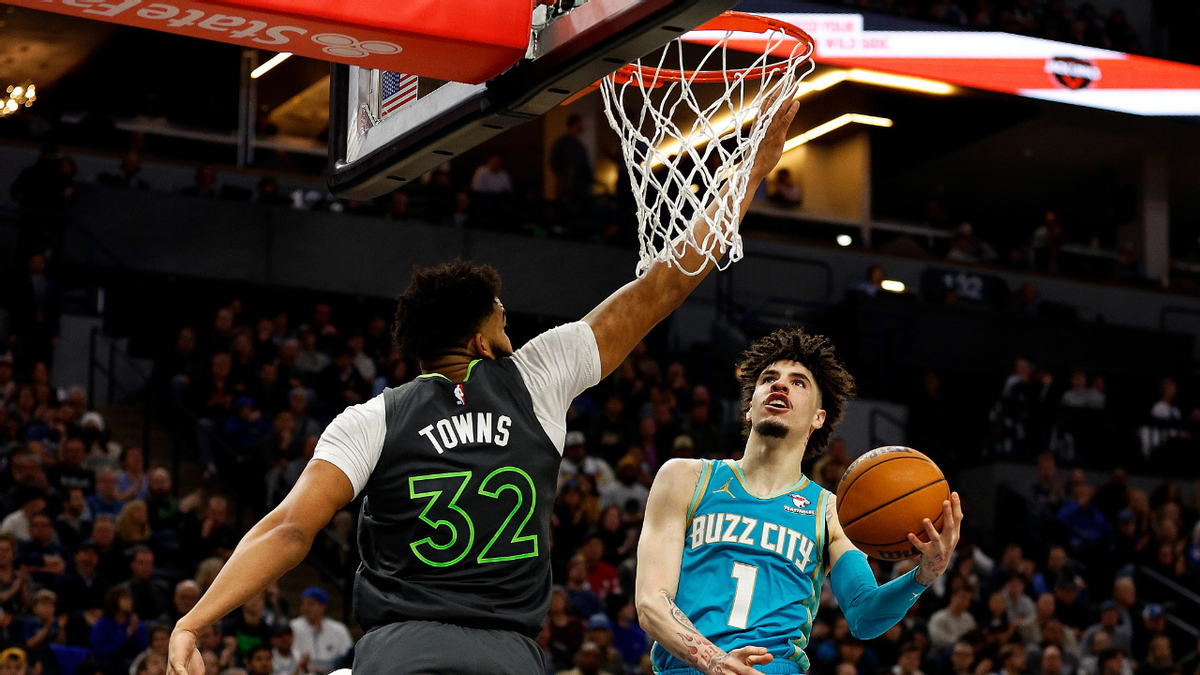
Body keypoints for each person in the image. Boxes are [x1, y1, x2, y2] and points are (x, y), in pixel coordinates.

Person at [169, 96, 801, 675]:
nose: (509, 319)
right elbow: (664, 285)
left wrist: (194, 622)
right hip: (510, 656)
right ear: (478, 340)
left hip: (399, 652)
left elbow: (288, 531)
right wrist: (749, 171)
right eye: (499, 313)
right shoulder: (539, 377)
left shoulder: (370, 421)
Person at [636, 327, 963, 675]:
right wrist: (715, 660)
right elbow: (651, 602)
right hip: (688, 667)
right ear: (749, 407)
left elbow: (864, 616)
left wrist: (924, 574)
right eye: (769, 378)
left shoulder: (830, 512)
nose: (780, 385)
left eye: (798, 382)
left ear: (818, 417)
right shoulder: (685, 478)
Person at [287, 587, 352, 673]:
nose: (305, 608)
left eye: (310, 604)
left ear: (322, 606)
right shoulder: (293, 627)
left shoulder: (339, 629)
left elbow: (347, 656)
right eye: (303, 604)